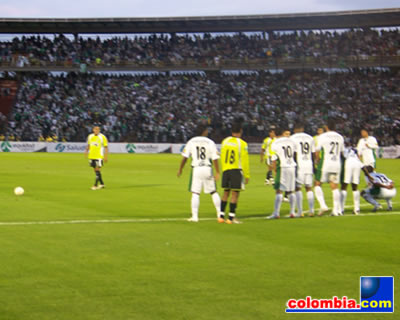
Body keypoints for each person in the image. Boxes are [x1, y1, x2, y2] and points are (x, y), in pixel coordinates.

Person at [177, 123, 222, 222]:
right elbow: (215, 158)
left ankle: (195, 216)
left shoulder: (191, 141)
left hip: (196, 169)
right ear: (204, 131)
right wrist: (218, 171)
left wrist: (180, 169)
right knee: (213, 192)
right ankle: (219, 214)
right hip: (207, 168)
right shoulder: (210, 142)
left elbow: (185, 157)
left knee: (195, 193)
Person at [220, 121, 250, 224]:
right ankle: (231, 218)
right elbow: (245, 160)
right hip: (236, 170)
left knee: (225, 193)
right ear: (240, 131)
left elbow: (222, 156)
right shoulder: (242, 144)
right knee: (235, 194)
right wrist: (246, 175)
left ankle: (221, 216)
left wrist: (224, 168)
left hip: (226, 170)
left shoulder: (225, 141)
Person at [314, 119, 345, 216]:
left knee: (317, 184)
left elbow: (317, 150)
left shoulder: (322, 136)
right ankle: (335, 210)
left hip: (326, 163)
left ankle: (323, 205)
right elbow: (342, 152)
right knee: (334, 186)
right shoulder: (340, 137)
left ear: (326, 127)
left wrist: (317, 160)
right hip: (336, 163)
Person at [267, 127, 297, 219]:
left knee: (279, 190)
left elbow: (274, 158)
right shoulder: (292, 141)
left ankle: (276, 213)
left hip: (282, 167)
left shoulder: (275, 143)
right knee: (291, 190)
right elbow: (295, 153)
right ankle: (292, 212)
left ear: (275, 134)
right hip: (292, 166)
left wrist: (275, 169)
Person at [290, 123, 316, 217]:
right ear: (302, 128)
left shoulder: (293, 138)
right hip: (309, 164)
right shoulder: (310, 138)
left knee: (298, 188)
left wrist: (294, 166)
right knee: (309, 188)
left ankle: (300, 211)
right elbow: (313, 153)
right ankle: (311, 210)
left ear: (295, 129)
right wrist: (313, 166)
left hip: (299, 165)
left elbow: (294, 153)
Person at [340, 145, 363, 215]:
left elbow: (342, 155)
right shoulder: (356, 150)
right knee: (355, 186)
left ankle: (341, 209)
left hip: (349, 162)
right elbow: (359, 156)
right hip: (357, 163)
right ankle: (357, 209)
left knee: (345, 185)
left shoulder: (345, 149)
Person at [85, 125, 108, 190]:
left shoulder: (102, 137)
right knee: (95, 170)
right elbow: (89, 145)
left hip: (99, 156)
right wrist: (86, 151)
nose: (96, 131)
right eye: (95, 129)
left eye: (98, 129)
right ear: (93, 130)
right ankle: (102, 184)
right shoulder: (90, 136)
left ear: (99, 130)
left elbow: (106, 147)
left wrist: (106, 157)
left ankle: (95, 185)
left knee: (98, 170)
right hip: (92, 156)